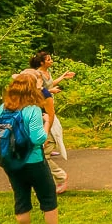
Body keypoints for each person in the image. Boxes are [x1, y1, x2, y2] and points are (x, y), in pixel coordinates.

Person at [0, 73, 70, 224]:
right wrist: (46, 122)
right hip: (34, 161)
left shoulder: (3, 108)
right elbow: (38, 139)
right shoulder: (32, 110)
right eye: (37, 85)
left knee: (21, 198)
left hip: (12, 162)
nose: (40, 87)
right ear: (30, 89)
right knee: (47, 197)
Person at [29, 54, 69, 193]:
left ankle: (59, 177)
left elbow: (49, 115)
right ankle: (41, 184)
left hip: (45, 123)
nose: (51, 61)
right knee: (37, 157)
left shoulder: (43, 94)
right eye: (48, 59)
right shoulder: (36, 91)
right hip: (41, 123)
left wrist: (45, 134)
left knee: (41, 157)